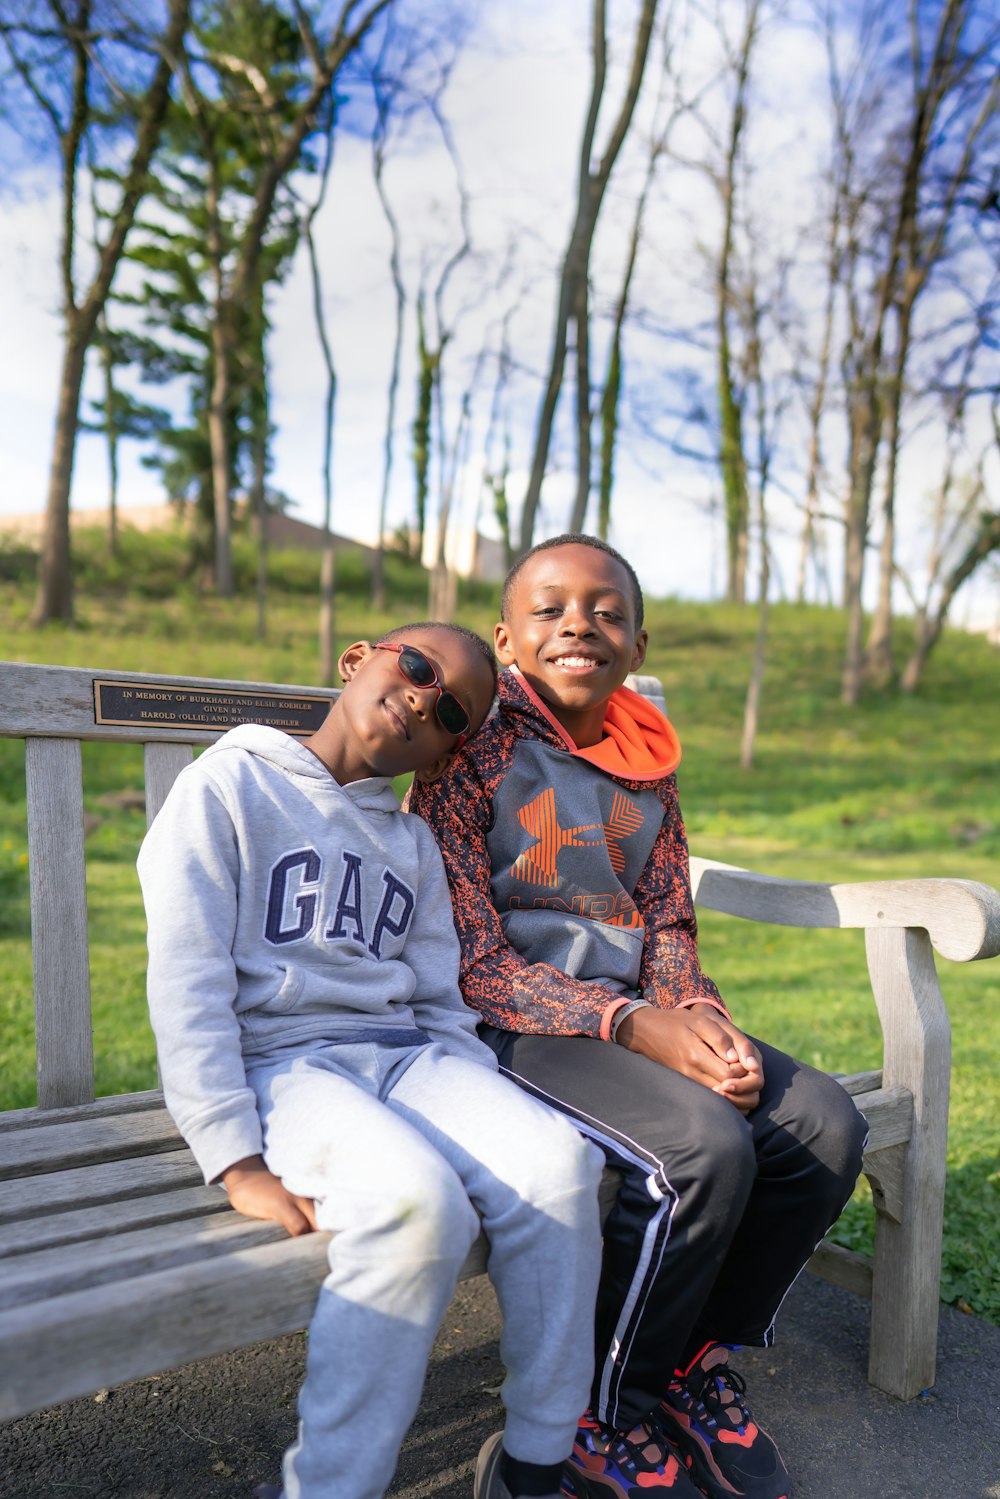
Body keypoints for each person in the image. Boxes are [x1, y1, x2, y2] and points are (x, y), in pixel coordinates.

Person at [407, 540, 868, 1499]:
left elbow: (665, 915)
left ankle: (691, 1362)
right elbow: (475, 962)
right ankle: (597, 1408)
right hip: (515, 1027)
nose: (580, 623)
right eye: (550, 610)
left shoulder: (645, 758)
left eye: (606, 611)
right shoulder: (467, 745)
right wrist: (630, 1023)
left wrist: (696, 1011)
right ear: (505, 639)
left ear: (637, 640)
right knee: (704, 1147)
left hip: (633, 1018)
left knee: (821, 1123)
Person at [137, 620, 605, 1499]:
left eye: (453, 711)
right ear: (359, 660)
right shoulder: (229, 785)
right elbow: (187, 979)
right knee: (414, 1200)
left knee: (556, 1163)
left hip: (405, 1060)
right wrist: (236, 1159)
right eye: (419, 667)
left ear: (439, 755)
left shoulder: (412, 844)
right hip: (286, 1065)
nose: (426, 697)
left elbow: (435, 1002)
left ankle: (537, 1458)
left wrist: (476, 1120)